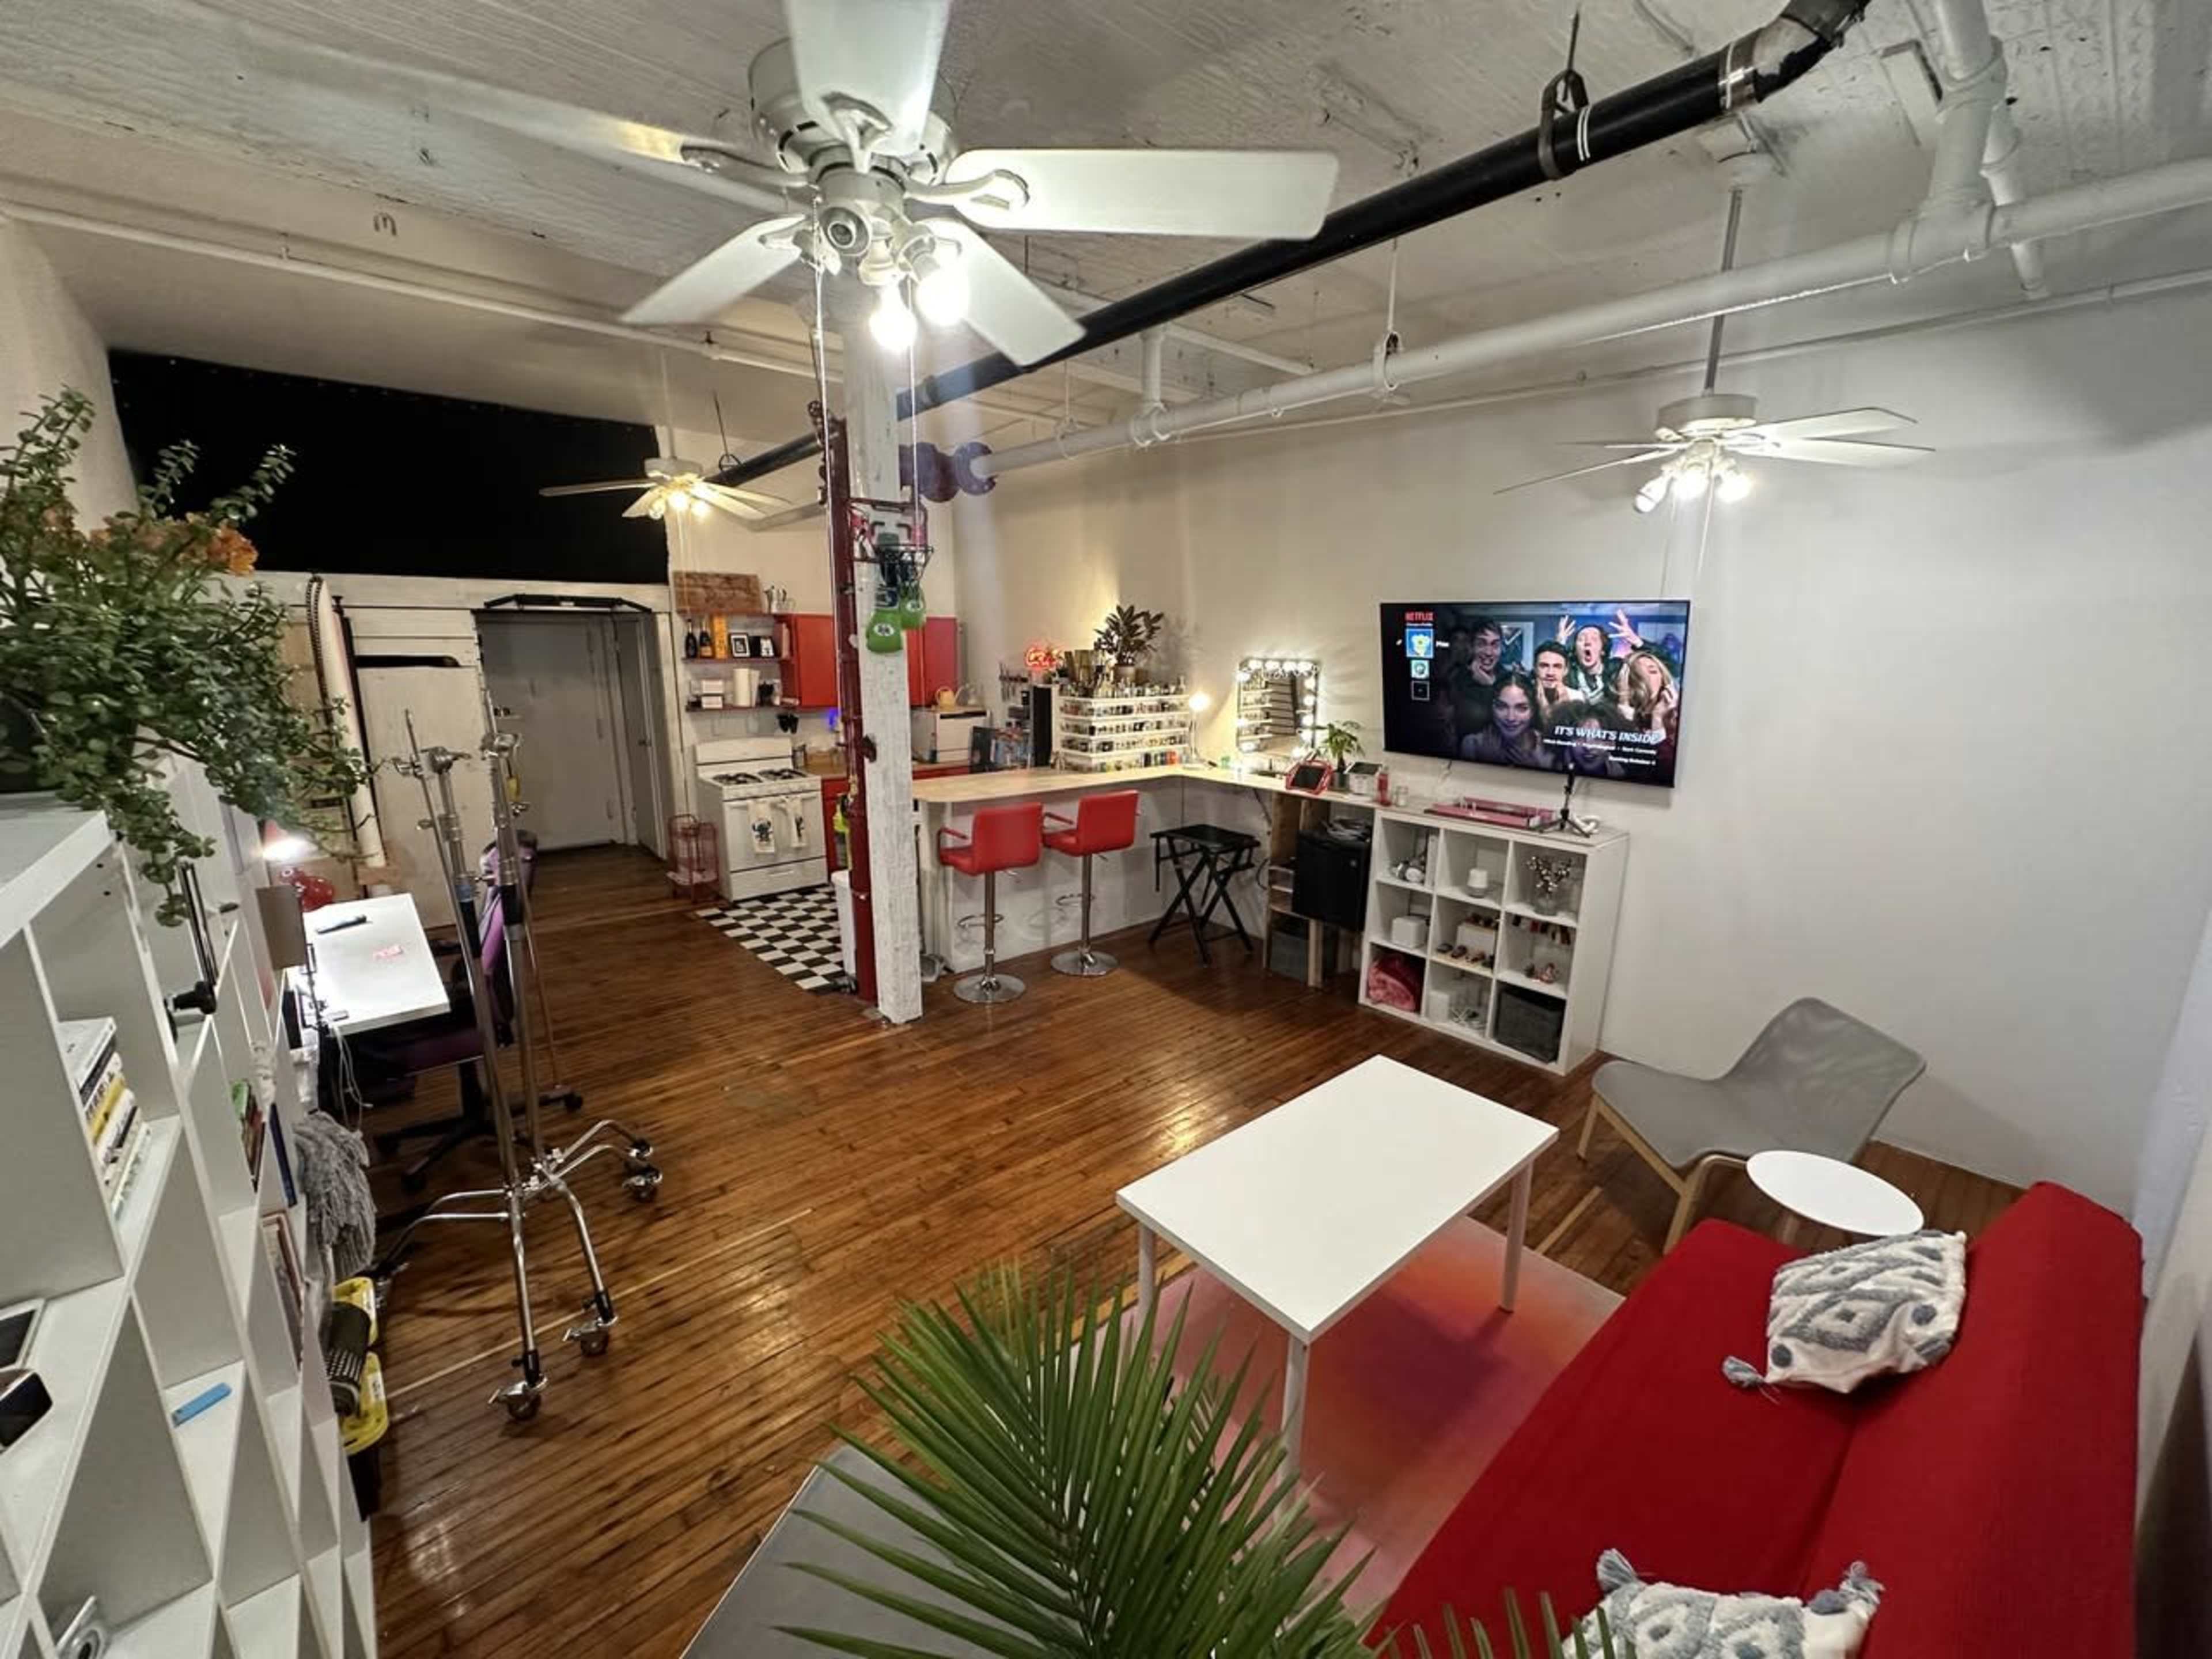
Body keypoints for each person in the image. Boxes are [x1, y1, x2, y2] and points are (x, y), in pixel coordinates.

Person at [1459, 671, 1556, 770]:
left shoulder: (1549, 748)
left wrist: (1534, 769)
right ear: (1491, 707)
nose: (1511, 718)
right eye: (1502, 707)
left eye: (1522, 708)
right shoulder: (1472, 744)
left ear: (1533, 710)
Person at [1446, 615, 1504, 748]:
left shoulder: (1509, 679)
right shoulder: (1457, 680)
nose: (1489, 652)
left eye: (1495, 645)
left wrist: (1490, 686)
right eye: (1482, 644)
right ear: (1472, 647)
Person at [1548, 697, 1624, 779]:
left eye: (1598, 738)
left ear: (1611, 743)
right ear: (1567, 740)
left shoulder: (1623, 776)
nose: (1588, 746)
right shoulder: (1549, 767)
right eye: (1579, 737)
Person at [1559, 618, 1612, 698]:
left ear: (1603, 650)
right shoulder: (1567, 675)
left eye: (1594, 639)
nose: (1587, 642)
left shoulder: (1614, 672)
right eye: (1581, 639)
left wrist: (1637, 644)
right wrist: (1559, 645)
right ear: (1575, 651)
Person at [1532, 641, 1574, 724]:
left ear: (1566, 670)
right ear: (1535, 668)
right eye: (1544, 666)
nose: (1550, 673)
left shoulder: (1578, 698)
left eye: (1557, 667)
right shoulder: (1524, 696)